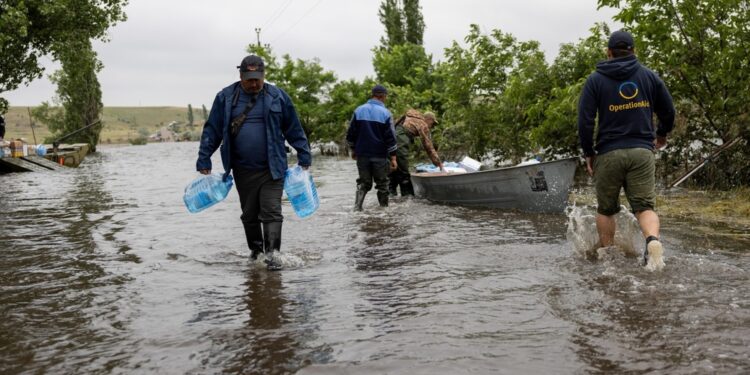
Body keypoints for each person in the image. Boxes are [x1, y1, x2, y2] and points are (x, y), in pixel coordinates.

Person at [196, 55, 312, 271]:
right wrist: (204, 157)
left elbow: (293, 128)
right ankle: (256, 252)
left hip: (273, 167)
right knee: (249, 214)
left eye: (257, 78)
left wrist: (304, 154)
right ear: (240, 75)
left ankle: (273, 256)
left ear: (264, 75)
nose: (254, 83)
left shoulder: (278, 97)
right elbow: (212, 129)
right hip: (242, 168)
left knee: (272, 211)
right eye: (249, 79)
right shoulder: (225, 97)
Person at [577, 30, 675, 270]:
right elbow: (668, 110)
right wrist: (661, 133)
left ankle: (608, 260)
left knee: (606, 209)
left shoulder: (595, 80)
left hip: (609, 153)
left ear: (609, 52)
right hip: (642, 152)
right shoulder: (649, 76)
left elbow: (585, 121)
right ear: (633, 51)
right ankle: (652, 241)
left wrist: (589, 151)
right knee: (644, 207)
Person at [346, 84, 398, 211]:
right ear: (383, 96)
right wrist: (393, 158)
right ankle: (384, 212)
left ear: (373, 95)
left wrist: (353, 150)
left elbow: (351, 133)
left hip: (362, 154)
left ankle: (357, 208)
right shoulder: (386, 113)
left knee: (363, 183)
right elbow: (391, 137)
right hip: (379, 155)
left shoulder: (358, 110)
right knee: (382, 184)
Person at [388, 109, 443, 196]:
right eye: (432, 123)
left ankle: (390, 198)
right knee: (404, 172)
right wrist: (438, 162)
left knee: (394, 169)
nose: (431, 126)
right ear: (429, 119)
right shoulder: (423, 124)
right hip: (399, 142)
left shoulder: (408, 118)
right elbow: (428, 146)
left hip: (390, 142)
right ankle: (408, 199)